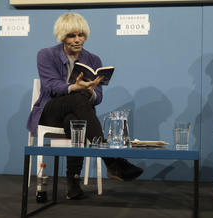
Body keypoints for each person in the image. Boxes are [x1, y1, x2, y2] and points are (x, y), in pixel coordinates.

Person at [26, 13, 143, 200]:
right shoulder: (46, 54)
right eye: (72, 35)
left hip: (76, 113)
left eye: (81, 35)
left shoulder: (94, 60)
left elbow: (98, 99)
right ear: (62, 36)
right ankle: (111, 160)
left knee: (76, 121)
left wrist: (90, 91)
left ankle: (73, 182)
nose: (77, 40)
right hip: (50, 111)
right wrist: (75, 87)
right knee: (77, 98)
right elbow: (51, 87)